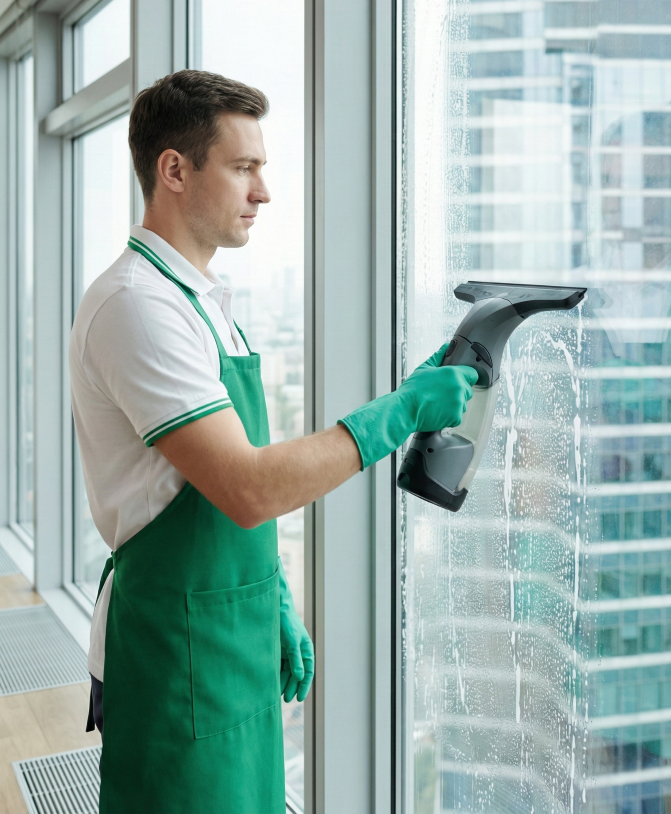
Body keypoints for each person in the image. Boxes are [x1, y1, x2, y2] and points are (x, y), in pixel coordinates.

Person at [69, 69, 477, 814]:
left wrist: (273, 597)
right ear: (174, 171)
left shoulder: (202, 302)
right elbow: (248, 486)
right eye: (244, 166)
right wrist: (401, 411)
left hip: (231, 636)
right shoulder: (138, 309)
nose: (264, 191)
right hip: (177, 654)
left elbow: (206, 481)